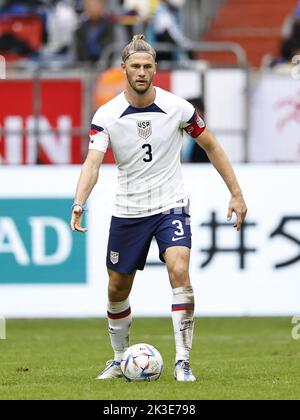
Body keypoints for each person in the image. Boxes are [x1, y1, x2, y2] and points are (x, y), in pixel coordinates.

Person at [70, 34, 247, 382]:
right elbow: (93, 162)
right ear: (123, 68)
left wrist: (236, 193)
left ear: (155, 69)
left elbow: (212, 146)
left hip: (171, 205)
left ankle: (183, 360)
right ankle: (120, 358)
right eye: (135, 66)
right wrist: (79, 201)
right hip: (129, 210)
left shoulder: (177, 108)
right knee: (117, 288)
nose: (141, 72)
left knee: (179, 268)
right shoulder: (107, 115)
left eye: (147, 66)